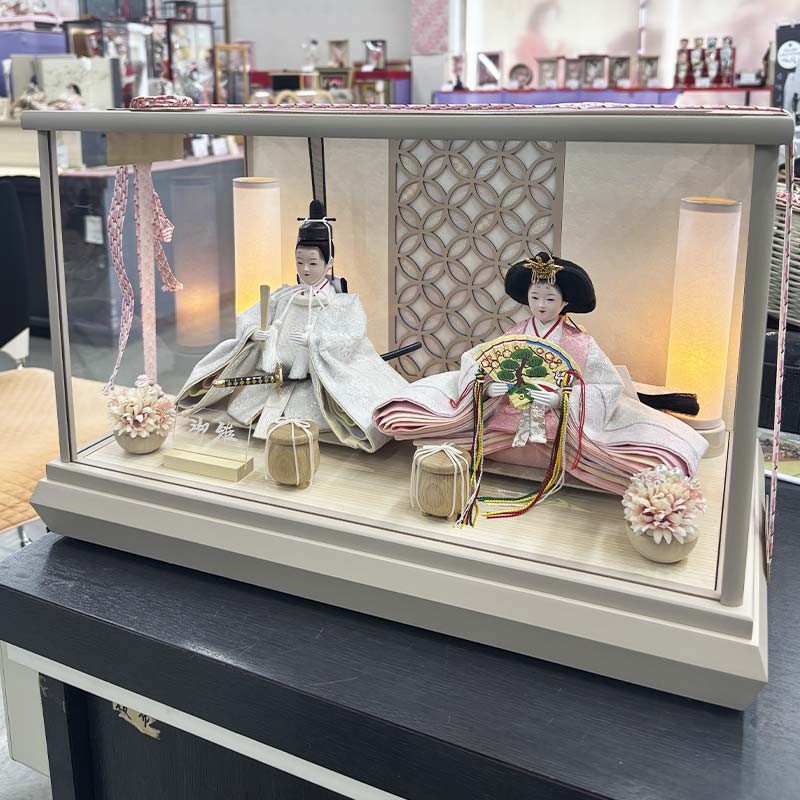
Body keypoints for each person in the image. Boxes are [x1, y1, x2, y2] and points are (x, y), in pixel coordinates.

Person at [373, 253, 708, 498]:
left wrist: (562, 399)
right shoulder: (515, 334)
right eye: (535, 297)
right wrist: (488, 387)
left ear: (565, 303)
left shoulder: (580, 344)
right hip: (507, 422)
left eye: (550, 298)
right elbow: (475, 360)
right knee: (446, 432)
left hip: (557, 425)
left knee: (637, 456)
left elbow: (608, 385)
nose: (541, 305)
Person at [177, 200, 407, 452]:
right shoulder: (282, 296)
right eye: (299, 262)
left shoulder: (342, 303)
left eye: (313, 263)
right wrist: (255, 333)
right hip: (271, 380)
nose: (305, 269)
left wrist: (315, 342)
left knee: (320, 419)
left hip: (314, 388)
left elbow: (350, 336)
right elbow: (248, 317)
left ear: (329, 262)